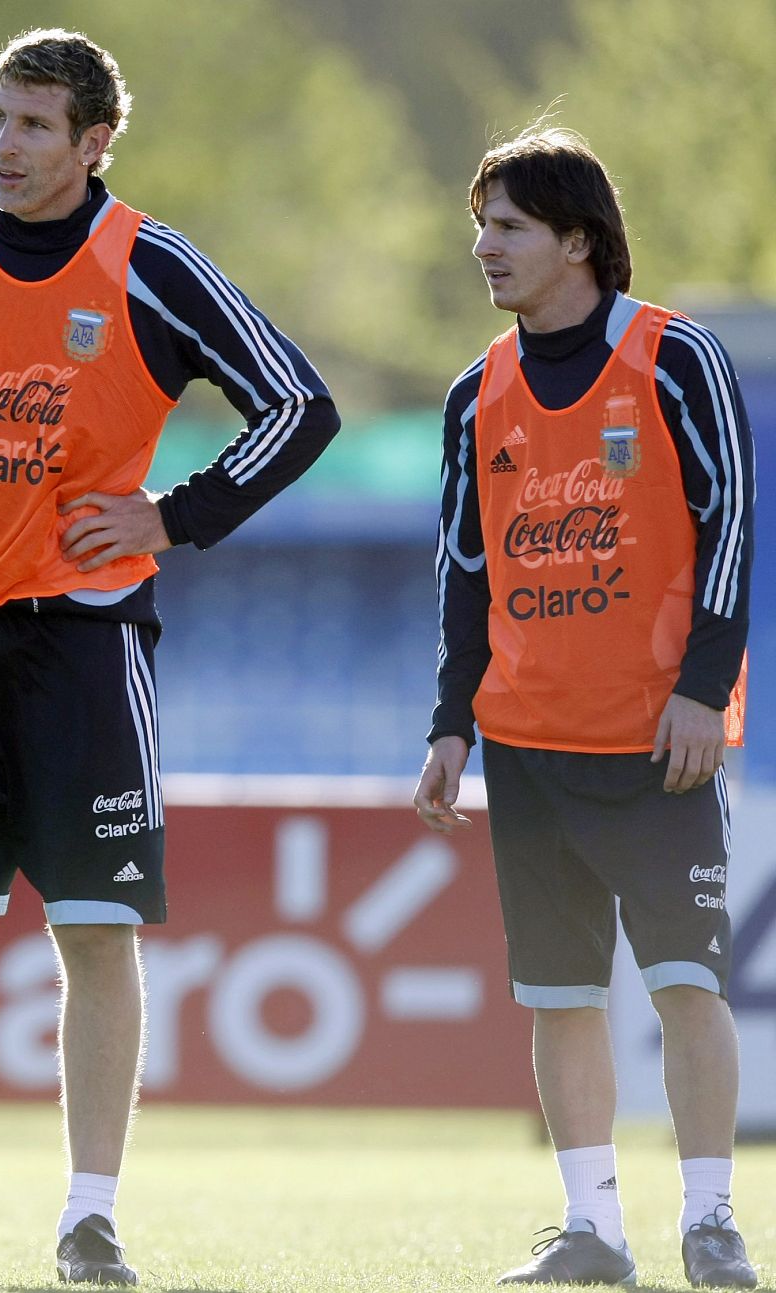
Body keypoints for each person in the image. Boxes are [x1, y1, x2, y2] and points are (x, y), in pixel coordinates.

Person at [0, 28, 339, 1287]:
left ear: (93, 144)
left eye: (35, 127)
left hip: (85, 644)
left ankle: (90, 1219)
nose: (6, 145)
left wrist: (173, 515)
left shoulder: (149, 267)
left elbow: (299, 406)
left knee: (93, 932)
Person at [414, 126, 757, 1289]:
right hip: (525, 745)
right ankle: (590, 1229)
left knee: (684, 986)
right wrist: (449, 723)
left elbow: (730, 532)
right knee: (560, 996)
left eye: (506, 227)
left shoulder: (673, 357)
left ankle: (710, 1220)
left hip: (660, 742)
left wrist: (701, 693)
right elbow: (464, 568)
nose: (483, 247)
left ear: (575, 240)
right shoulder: (477, 391)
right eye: (481, 225)